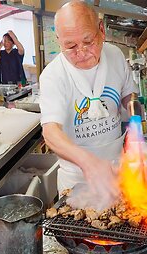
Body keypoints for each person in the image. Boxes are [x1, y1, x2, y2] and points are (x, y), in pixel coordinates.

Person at [38, 0, 139, 198]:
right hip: (77, 180)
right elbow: (50, 132)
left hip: (120, 169)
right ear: (59, 40)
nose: (82, 53)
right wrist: (89, 163)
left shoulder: (115, 55)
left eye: (88, 42)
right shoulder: (53, 76)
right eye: (71, 46)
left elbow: (130, 94)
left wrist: (136, 124)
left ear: (101, 30)